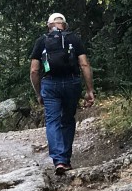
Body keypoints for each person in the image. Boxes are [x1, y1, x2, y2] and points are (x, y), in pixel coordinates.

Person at [29, 12, 94, 175]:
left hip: (50, 84)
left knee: (52, 121)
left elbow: (34, 70)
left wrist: (39, 93)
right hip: (72, 83)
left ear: (49, 26)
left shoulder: (41, 41)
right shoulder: (74, 39)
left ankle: (59, 160)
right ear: (64, 25)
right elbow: (84, 65)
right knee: (68, 120)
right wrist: (89, 90)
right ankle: (65, 158)